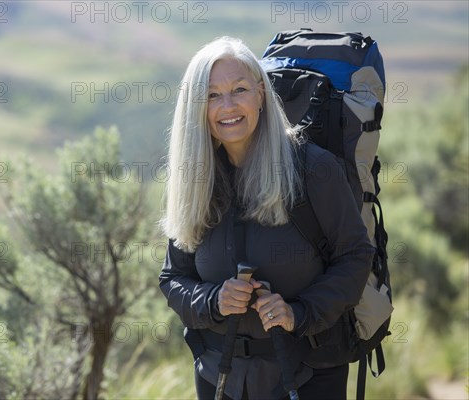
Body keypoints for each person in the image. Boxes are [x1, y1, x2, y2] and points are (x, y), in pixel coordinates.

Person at [159, 36, 374, 400]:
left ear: (261, 93)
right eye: (212, 95)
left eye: (239, 89)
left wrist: (298, 312)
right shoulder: (196, 180)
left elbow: (355, 257)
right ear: (197, 106)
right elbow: (174, 277)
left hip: (308, 376)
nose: (227, 106)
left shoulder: (313, 169)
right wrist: (213, 301)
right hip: (218, 377)